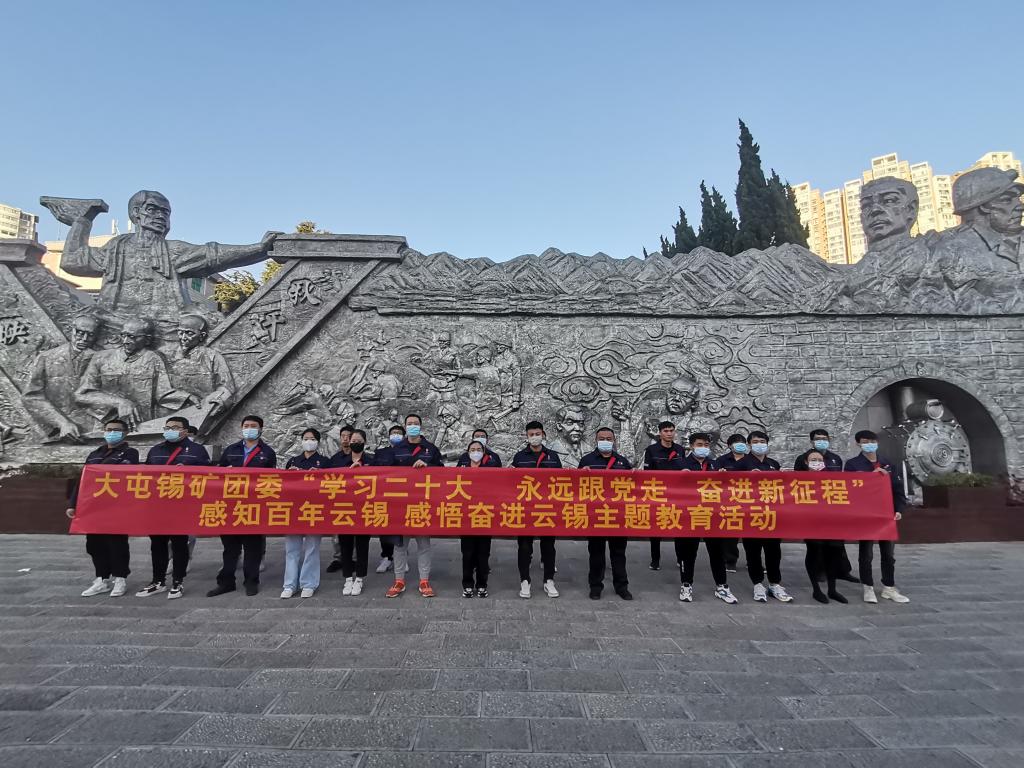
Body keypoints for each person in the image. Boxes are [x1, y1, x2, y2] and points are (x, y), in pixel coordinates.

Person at [138, 415, 210, 599]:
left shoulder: (197, 451)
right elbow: (146, 475)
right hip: (157, 505)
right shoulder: (156, 450)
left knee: (179, 544)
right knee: (157, 544)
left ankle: (178, 581)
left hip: (182, 505)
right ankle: (158, 581)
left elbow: (208, 476)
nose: (171, 430)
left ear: (185, 431)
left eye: (175, 427)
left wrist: (187, 472)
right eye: (168, 427)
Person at [66, 419, 138, 597]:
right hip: (93, 507)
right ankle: (102, 579)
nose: (112, 433)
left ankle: (120, 578)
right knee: (94, 545)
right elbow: (82, 481)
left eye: (116, 430)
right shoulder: (95, 454)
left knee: (117, 544)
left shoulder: (130, 453)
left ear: (125, 433)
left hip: (116, 507)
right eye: (108, 429)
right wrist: (73, 504)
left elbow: (123, 474)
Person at [207, 415, 277, 597]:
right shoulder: (231, 450)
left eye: (253, 426)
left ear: (260, 429)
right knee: (230, 548)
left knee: (252, 548)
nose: (249, 428)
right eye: (246, 425)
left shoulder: (267, 452)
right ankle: (226, 582)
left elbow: (271, 480)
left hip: (253, 506)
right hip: (230, 505)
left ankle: (251, 582)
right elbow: (217, 475)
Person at [845, 430, 910, 604]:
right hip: (866, 514)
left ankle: (889, 587)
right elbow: (850, 489)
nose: (869, 444)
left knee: (888, 554)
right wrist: (870, 477)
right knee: (866, 553)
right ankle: (868, 587)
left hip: (886, 514)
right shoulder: (852, 464)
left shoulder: (888, 463)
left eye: (872, 441)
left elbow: (897, 488)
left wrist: (899, 509)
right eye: (865, 441)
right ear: (858, 443)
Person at [384, 414, 444, 598]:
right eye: (409, 423)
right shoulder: (396, 449)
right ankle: (399, 580)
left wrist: (428, 466)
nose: (412, 426)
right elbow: (385, 473)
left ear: (421, 426)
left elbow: (442, 472)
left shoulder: (430, 448)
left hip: (423, 504)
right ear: (405, 426)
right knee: (400, 546)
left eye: (415, 423)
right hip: (401, 505)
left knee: (424, 544)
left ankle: (424, 580)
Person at [677, 432, 737, 604]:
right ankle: (686, 585)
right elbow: (670, 487)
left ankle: (722, 586)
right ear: (691, 446)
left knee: (717, 552)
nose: (703, 448)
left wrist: (723, 477)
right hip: (690, 515)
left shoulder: (715, 464)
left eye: (705, 445)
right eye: (699, 444)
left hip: (712, 515)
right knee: (688, 553)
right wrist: (680, 476)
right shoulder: (681, 464)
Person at [793, 430, 859, 583]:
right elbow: (797, 481)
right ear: (812, 441)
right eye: (818, 439)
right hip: (812, 506)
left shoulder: (835, 458)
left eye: (824, 438)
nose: (821, 441)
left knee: (837, 541)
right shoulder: (802, 458)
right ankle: (819, 571)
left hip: (833, 505)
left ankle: (842, 570)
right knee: (816, 542)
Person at [578, 427, 633, 600]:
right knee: (596, 554)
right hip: (596, 515)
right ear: (596, 440)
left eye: (609, 439)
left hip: (618, 515)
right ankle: (595, 586)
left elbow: (632, 488)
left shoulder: (622, 462)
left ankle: (621, 586)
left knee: (619, 553)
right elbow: (577, 487)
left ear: (614, 441)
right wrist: (582, 474)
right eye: (602, 438)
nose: (605, 441)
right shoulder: (587, 460)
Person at [738, 431, 793, 604]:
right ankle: (757, 584)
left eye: (762, 441)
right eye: (755, 441)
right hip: (751, 514)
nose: (759, 444)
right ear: (749, 444)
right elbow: (731, 487)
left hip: (771, 514)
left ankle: (775, 584)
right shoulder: (742, 464)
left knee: (774, 551)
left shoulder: (773, 464)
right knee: (753, 551)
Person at [511, 420, 562, 599]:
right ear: (526, 436)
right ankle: (525, 581)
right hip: (525, 508)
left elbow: (561, 481)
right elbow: (512, 482)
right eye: (531, 434)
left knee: (548, 546)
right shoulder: (519, 457)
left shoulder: (553, 456)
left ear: (543, 435)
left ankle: (549, 580)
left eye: (537, 434)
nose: (535, 437)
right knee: (525, 546)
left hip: (547, 508)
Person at [281, 428, 328, 598]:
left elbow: (331, 485)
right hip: (294, 509)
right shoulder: (293, 461)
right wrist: (289, 475)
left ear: (318, 442)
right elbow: (283, 485)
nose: (309, 441)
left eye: (312, 439)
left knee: (312, 548)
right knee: (291, 549)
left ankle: (309, 583)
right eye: (306, 438)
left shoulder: (324, 462)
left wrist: (320, 476)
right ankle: (289, 584)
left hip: (314, 508)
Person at [799, 449, 849, 604]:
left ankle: (832, 589)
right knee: (815, 553)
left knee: (834, 553)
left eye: (819, 460)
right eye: (813, 460)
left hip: (832, 522)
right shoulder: (798, 480)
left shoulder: (833, 478)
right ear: (806, 462)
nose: (817, 462)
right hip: (811, 522)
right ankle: (816, 589)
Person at [331, 429, 375, 596]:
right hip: (344, 507)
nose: (355, 443)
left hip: (364, 509)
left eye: (359, 440)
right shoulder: (338, 460)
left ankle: (360, 578)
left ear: (364, 442)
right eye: (353, 440)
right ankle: (348, 578)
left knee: (362, 545)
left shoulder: (372, 461)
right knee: (345, 545)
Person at [456, 438, 499, 597]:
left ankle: (482, 584)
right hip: (466, 517)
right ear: (468, 453)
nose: (476, 452)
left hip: (484, 515)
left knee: (483, 554)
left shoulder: (490, 470)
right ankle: (467, 584)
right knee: (467, 554)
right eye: (472, 450)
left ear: (484, 452)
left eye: (479, 450)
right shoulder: (461, 469)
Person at [642, 420, 687, 570]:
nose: (669, 434)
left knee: (678, 526)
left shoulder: (680, 449)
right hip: (658, 494)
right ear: (660, 433)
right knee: (656, 528)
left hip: (677, 494)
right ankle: (655, 560)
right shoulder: (651, 450)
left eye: (671, 431)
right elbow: (647, 473)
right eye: (666, 431)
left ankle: (681, 558)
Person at [372, 424, 407, 574]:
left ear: (404, 436)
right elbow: (373, 471)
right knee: (384, 526)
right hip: (384, 495)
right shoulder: (381, 452)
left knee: (401, 526)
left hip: (403, 494)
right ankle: (387, 556)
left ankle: (402, 557)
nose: (396, 435)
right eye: (393, 432)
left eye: (399, 433)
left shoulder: (408, 452)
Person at [715, 433, 750, 572]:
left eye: (742, 442)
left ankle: (753, 561)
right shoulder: (721, 460)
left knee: (751, 533)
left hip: (749, 501)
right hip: (729, 501)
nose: (740, 444)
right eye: (736, 442)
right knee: (731, 532)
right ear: (729, 446)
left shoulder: (751, 460)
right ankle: (730, 560)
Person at [325, 424, 354, 574]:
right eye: (343, 436)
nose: (345, 439)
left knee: (354, 531)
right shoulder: (335, 459)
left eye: (348, 436)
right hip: (338, 500)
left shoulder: (360, 457)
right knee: (336, 533)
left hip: (355, 500)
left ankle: (353, 559)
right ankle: (338, 558)